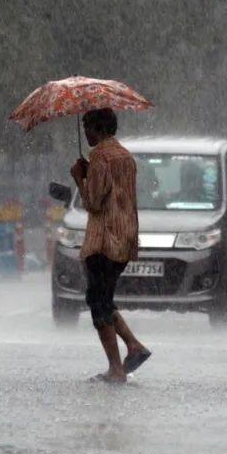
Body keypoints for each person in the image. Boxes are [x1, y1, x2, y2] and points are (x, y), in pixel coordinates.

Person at [70, 108, 151, 384]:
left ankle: (116, 369)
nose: (86, 134)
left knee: (98, 305)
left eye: (88, 128)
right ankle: (134, 346)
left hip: (103, 241)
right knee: (102, 299)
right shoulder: (126, 157)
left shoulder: (100, 158)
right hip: (125, 238)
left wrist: (79, 178)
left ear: (100, 128)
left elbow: (93, 202)